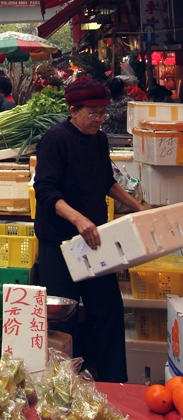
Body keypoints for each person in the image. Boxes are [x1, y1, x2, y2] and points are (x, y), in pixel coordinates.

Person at [34, 77, 144, 382]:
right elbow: (45, 190)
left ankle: (114, 381)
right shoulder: (55, 140)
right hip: (59, 242)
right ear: (73, 109)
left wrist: (136, 205)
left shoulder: (99, 139)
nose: (99, 118)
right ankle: (63, 385)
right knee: (63, 317)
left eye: (102, 112)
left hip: (96, 240)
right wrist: (78, 219)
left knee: (109, 310)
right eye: (92, 112)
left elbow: (107, 181)